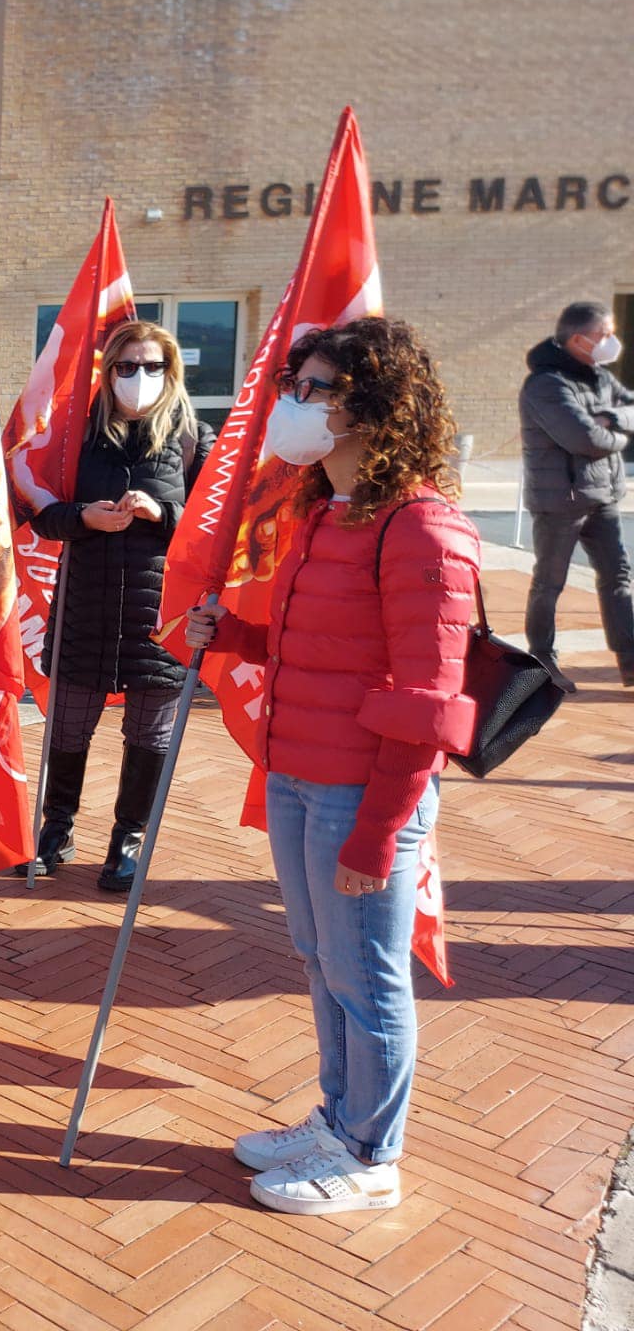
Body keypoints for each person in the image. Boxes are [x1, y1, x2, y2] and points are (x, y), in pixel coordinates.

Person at [186, 316, 479, 1216]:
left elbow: (428, 704)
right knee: (322, 961)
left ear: (374, 407)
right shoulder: (325, 515)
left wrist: (380, 832)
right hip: (297, 775)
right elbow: (310, 643)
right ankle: (339, 1117)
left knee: (368, 975)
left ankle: (370, 1154)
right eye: (293, 386)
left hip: (362, 791)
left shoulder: (423, 529)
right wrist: (233, 634)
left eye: (314, 390)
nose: (293, 404)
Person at [28, 320, 212, 889]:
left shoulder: (193, 438)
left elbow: (215, 528)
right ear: (107, 373)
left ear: (171, 372)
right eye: (127, 366)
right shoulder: (76, 435)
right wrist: (82, 516)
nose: (139, 377)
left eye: (152, 366)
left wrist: (164, 514)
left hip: (158, 616)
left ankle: (127, 839)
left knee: (149, 735)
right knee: (66, 729)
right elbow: (39, 513)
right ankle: (56, 828)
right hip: (85, 606)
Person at [520, 301, 634, 690]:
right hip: (560, 502)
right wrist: (619, 438)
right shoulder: (545, 385)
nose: (611, 341)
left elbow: (630, 407)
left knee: (618, 576)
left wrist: (613, 418)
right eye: (604, 334)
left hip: (602, 496)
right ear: (578, 339)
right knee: (550, 582)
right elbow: (585, 439)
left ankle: (630, 660)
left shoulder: (599, 377)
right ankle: (542, 660)